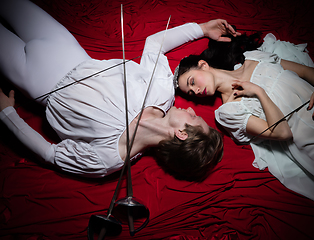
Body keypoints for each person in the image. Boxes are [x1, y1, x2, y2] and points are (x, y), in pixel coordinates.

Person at [0, 0, 232, 181]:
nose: (192, 109)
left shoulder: (109, 159)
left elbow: (51, 154)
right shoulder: (163, 93)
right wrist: (201, 29)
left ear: (182, 133)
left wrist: (7, 114)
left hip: (34, 80)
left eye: (194, 118)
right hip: (65, 48)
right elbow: (154, 45)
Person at [174, 30, 314, 214]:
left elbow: (305, 71)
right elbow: (282, 133)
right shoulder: (227, 112)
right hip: (311, 143)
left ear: (203, 65)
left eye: (192, 82)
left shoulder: (255, 57)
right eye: (190, 92)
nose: (196, 91)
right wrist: (259, 92)